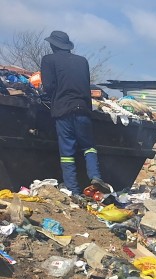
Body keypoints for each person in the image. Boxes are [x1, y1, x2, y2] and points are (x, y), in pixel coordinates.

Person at [39, 30, 103, 196]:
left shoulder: (48, 60)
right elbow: (85, 85)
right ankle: (95, 176)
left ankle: (73, 190)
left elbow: (49, 86)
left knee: (67, 151)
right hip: (83, 109)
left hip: (63, 110)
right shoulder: (82, 61)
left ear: (53, 45)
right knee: (88, 147)